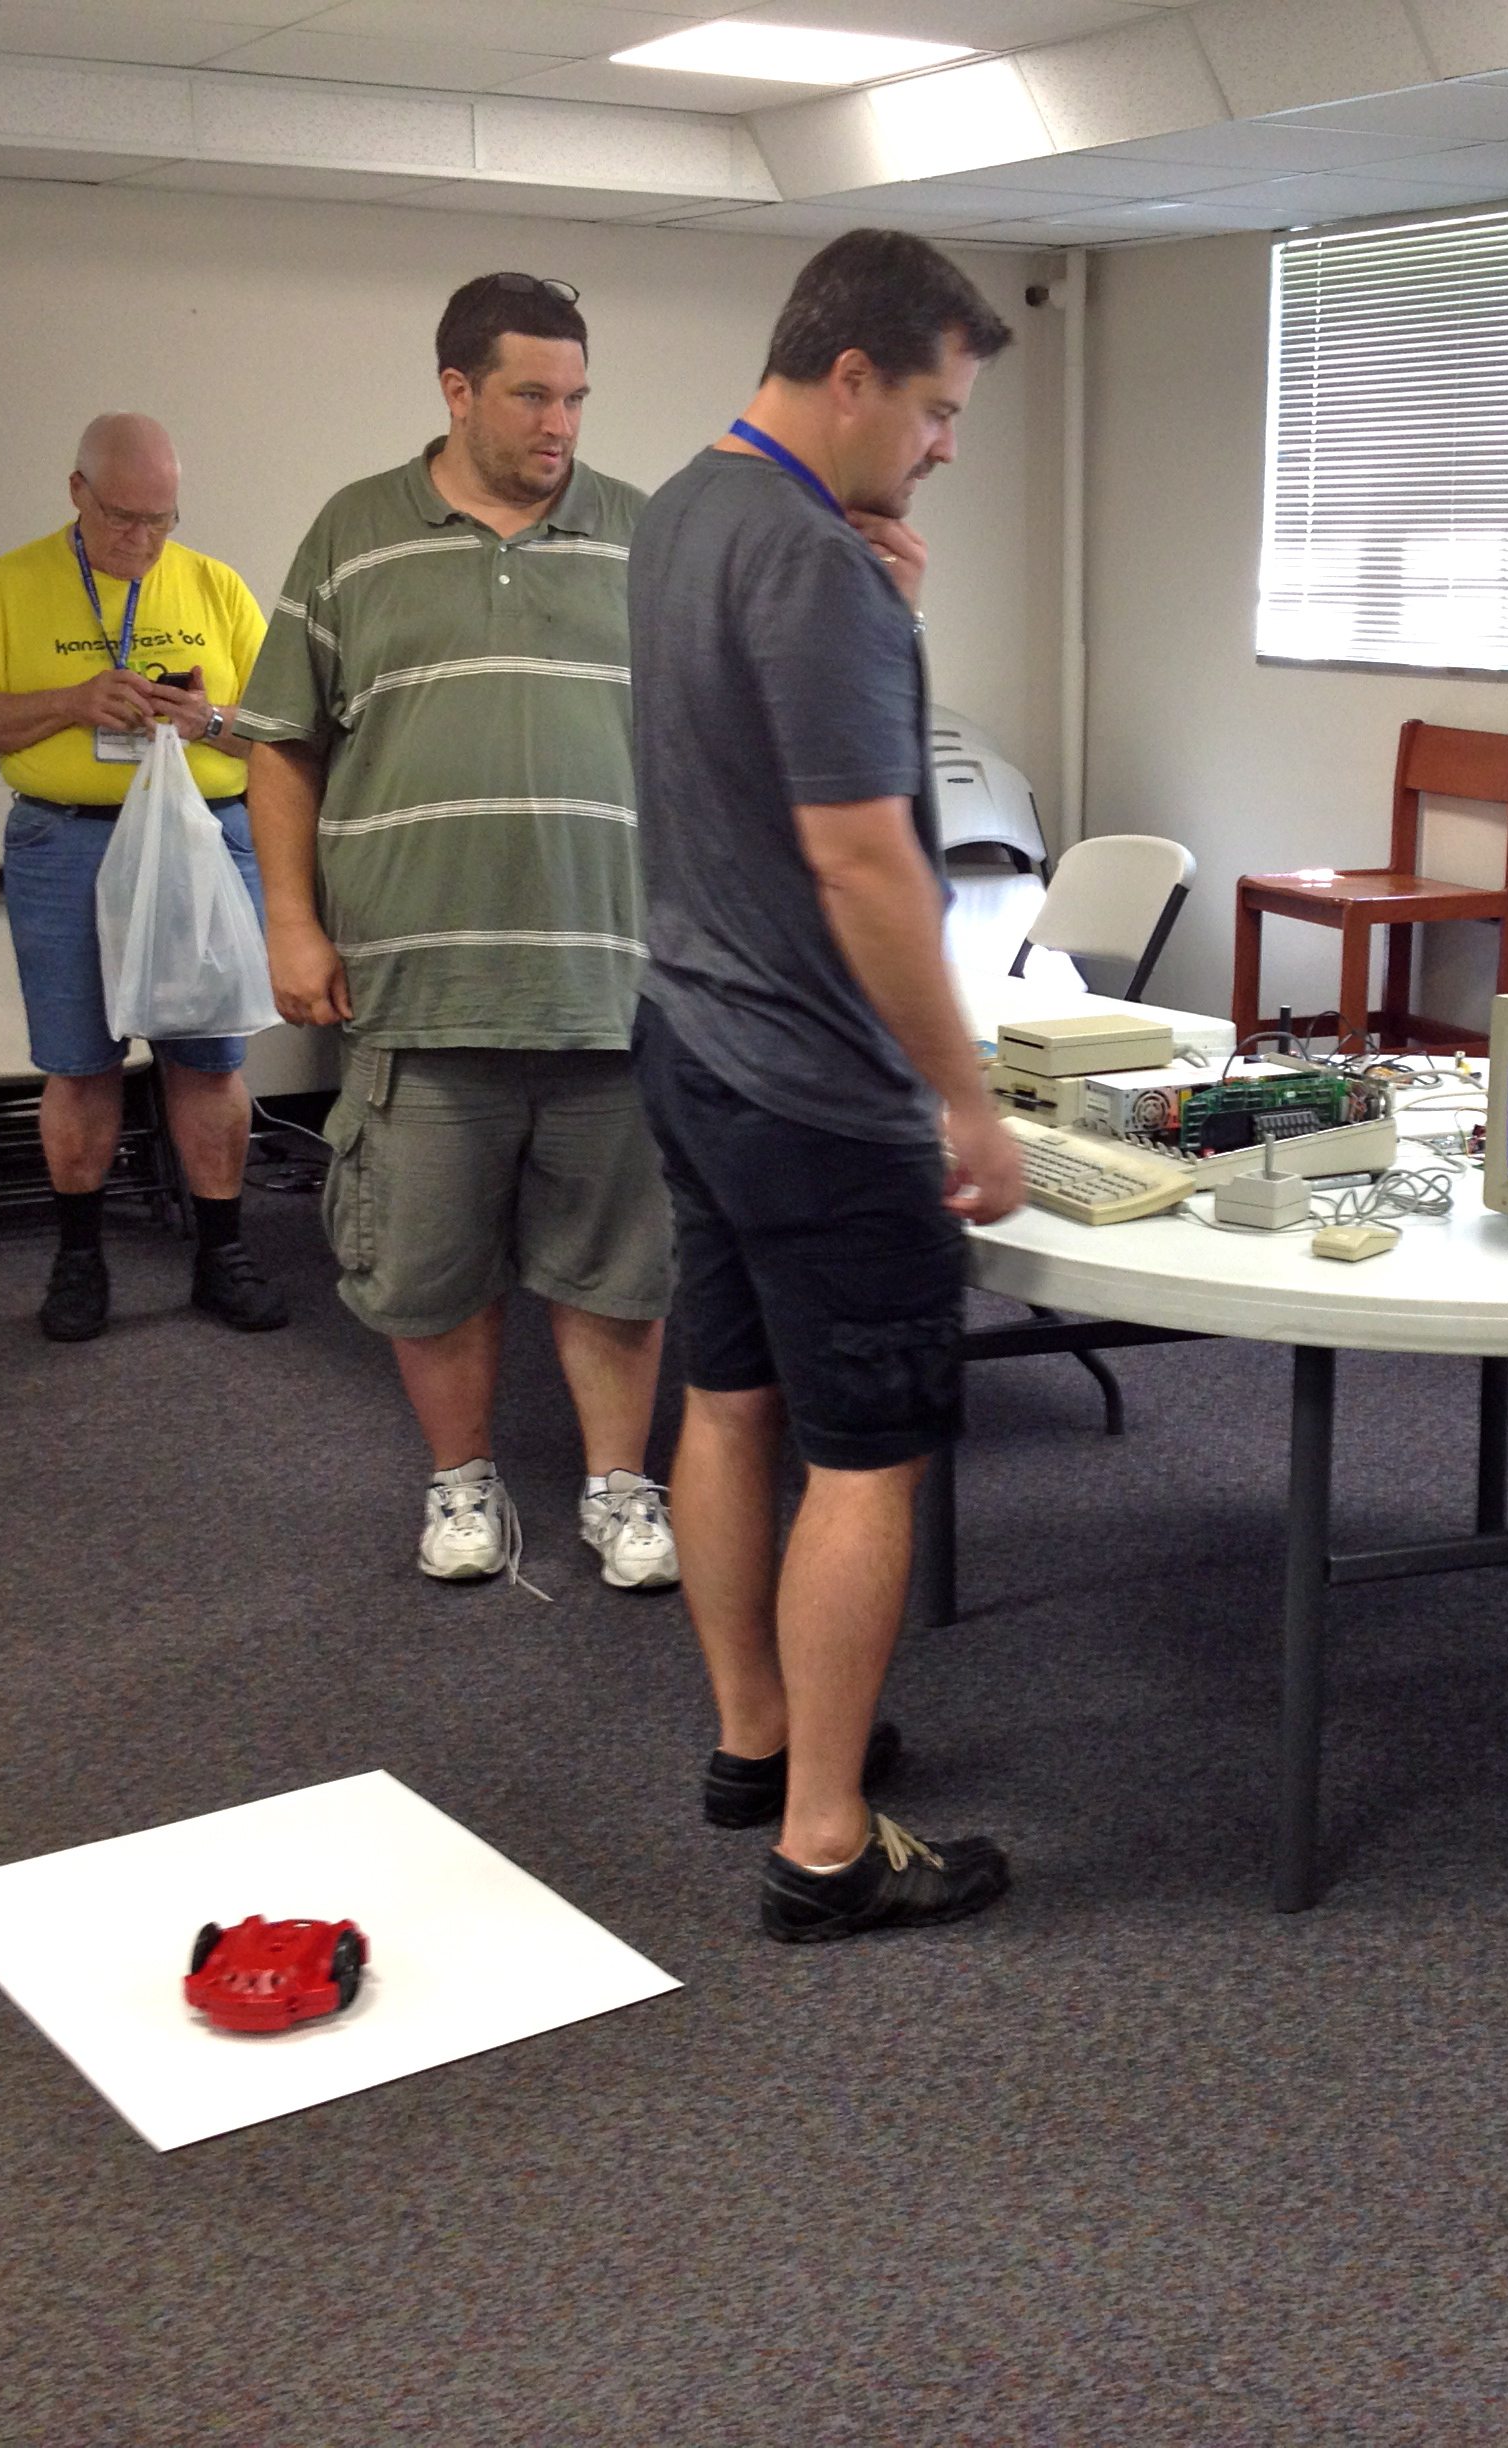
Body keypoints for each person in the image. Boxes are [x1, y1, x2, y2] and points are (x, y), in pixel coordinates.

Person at [628, 231, 1024, 1943]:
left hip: (693, 1041)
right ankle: (825, 1841)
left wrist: (892, 623)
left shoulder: (682, 511)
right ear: (849, 376)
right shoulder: (812, 562)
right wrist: (967, 1100)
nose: (945, 445)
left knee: (727, 1405)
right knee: (866, 1460)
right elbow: (866, 862)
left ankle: (758, 1739)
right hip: (815, 1088)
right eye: (934, 408)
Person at [235, 274, 678, 1596]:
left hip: (606, 984)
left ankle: (618, 1487)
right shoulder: (353, 534)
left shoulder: (642, 536)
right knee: (430, 1266)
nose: (561, 423)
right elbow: (281, 747)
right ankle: (462, 1480)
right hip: (417, 985)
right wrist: (291, 921)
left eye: (578, 397)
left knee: (618, 1267)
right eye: (533, 395)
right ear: (456, 390)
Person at [0, 413, 288, 1343]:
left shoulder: (215, 585)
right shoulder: (8, 585)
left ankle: (222, 1255)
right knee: (80, 1064)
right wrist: (71, 701)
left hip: (201, 840)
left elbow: (287, 736)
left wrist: (209, 721)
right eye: (123, 517)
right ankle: (80, 1260)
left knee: (209, 1059)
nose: (143, 539)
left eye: (161, 519)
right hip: (68, 842)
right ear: (77, 493)